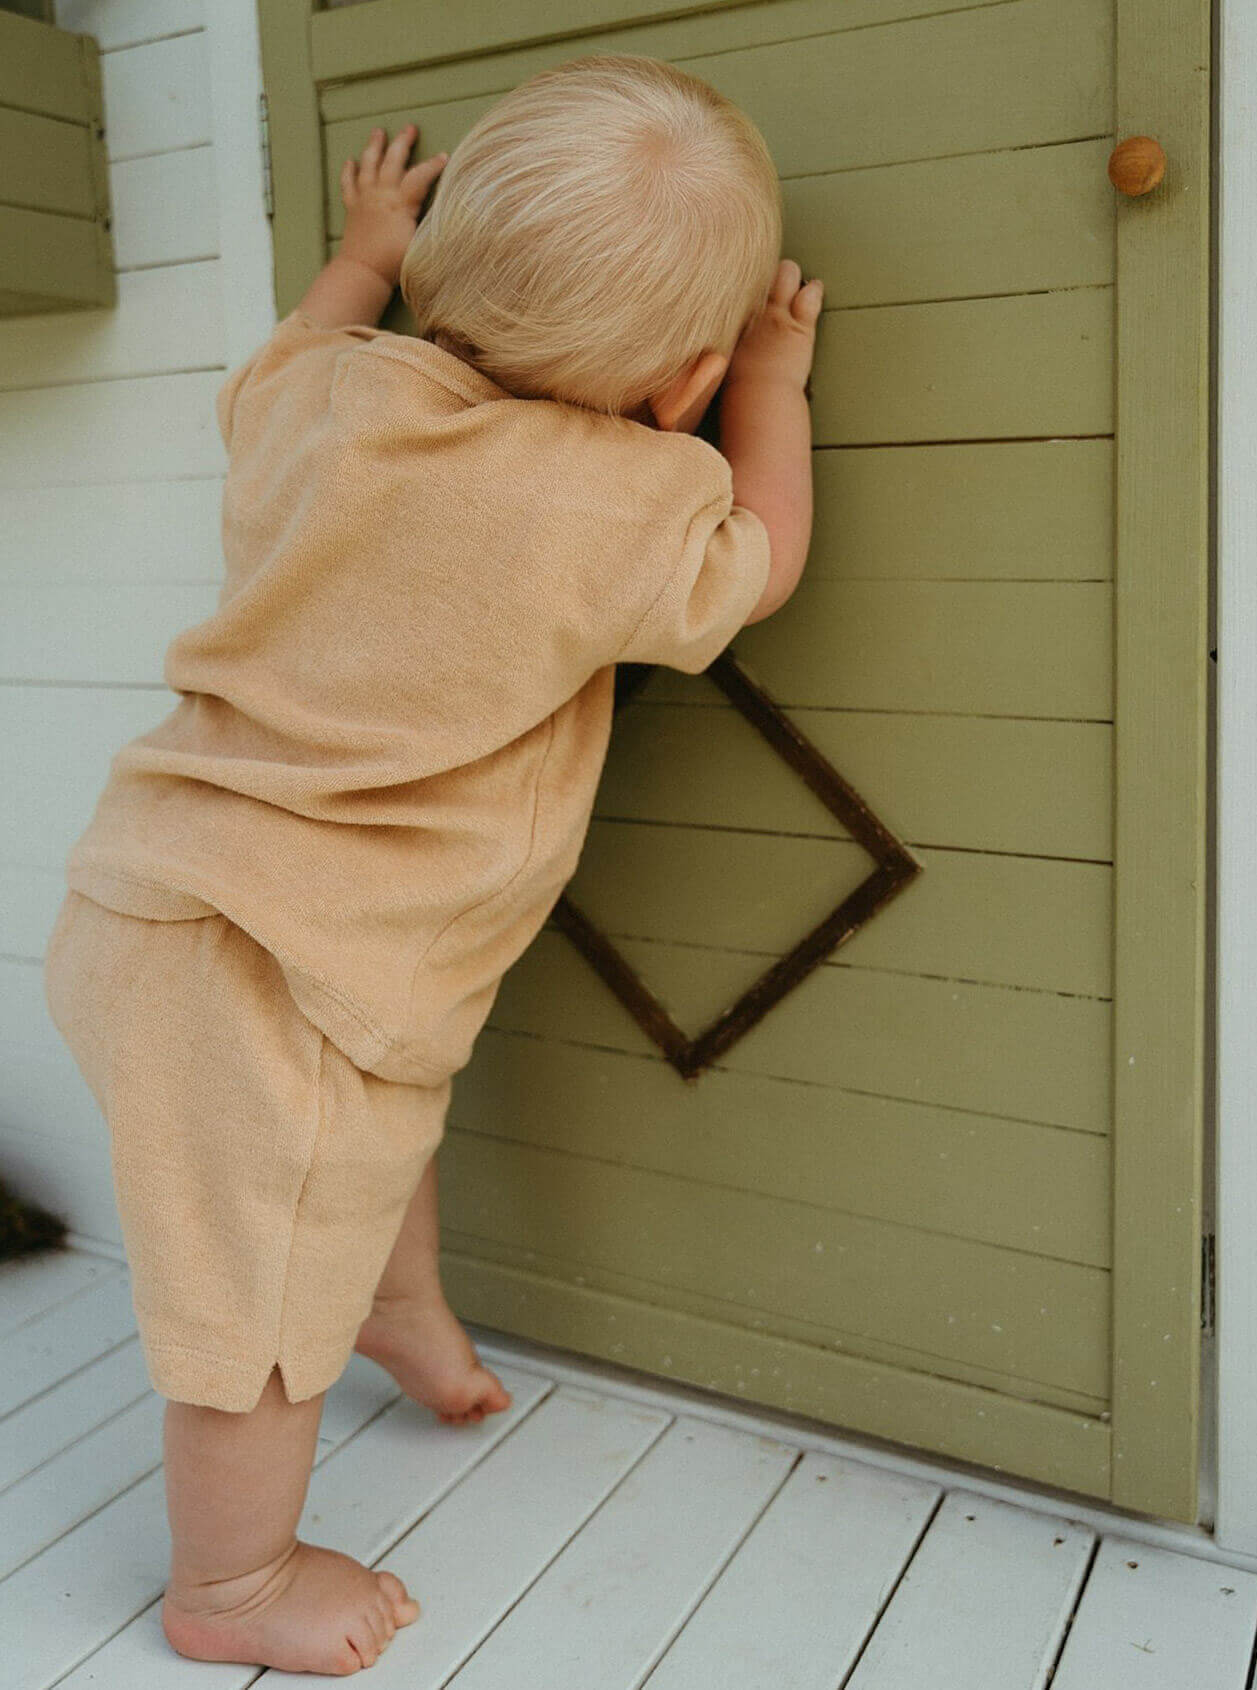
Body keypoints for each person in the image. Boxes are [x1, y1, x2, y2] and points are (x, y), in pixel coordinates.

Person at [42, 53, 821, 1675]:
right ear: (678, 385)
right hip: (274, 971)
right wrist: (776, 388)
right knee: (251, 1320)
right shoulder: (618, 499)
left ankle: (394, 1308)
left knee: (366, 1143)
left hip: (181, 903)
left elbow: (307, 338)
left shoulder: (328, 397)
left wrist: (371, 247)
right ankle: (231, 1583)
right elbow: (759, 565)